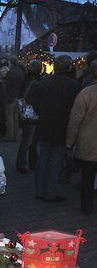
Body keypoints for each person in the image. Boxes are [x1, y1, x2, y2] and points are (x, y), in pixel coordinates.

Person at [29, 55, 80, 202]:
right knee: (55, 160)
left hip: (45, 125)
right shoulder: (73, 85)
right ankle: (50, 192)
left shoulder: (44, 82)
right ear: (69, 67)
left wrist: (43, 112)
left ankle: (40, 191)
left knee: (43, 158)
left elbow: (34, 102)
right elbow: (75, 109)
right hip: (62, 127)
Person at [66, 60, 97, 214]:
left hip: (89, 142)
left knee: (87, 177)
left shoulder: (86, 93)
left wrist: (69, 142)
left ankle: (86, 207)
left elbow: (75, 120)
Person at [16, 60, 42, 173]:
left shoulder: (26, 79)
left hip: (27, 115)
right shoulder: (36, 82)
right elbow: (33, 99)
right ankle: (25, 163)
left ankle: (27, 163)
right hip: (33, 115)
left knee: (27, 140)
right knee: (29, 140)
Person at [3, 56, 26, 141]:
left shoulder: (11, 73)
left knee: (9, 117)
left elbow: (7, 85)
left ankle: (10, 136)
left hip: (10, 96)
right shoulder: (21, 72)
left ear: (11, 63)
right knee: (15, 117)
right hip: (18, 96)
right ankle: (15, 135)